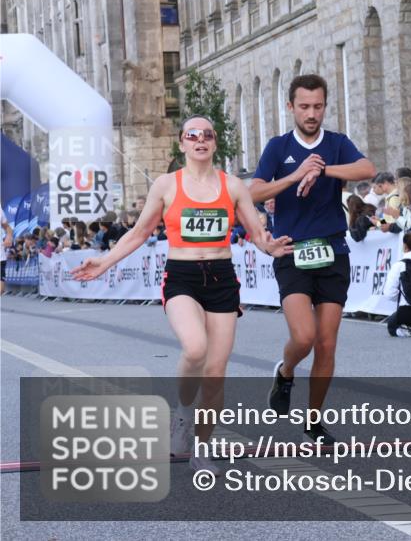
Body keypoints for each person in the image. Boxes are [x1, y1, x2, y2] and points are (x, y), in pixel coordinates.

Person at [71, 116, 292, 474]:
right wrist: (105, 262)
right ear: (182, 143)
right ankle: (183, 411)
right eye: (193, 135)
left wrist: (271, 247)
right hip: (182, 277)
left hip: (221, 278)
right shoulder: (166, 185)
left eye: (207, 135)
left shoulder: (233, 185)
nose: (200, 140)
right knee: (195, 349)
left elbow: (256, 233)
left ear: (215, 142)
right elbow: (139, 232)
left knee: (216, 373)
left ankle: (201, 449)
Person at [250, 74, 376, 445]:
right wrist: (294, 176)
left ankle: (314, 421)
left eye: (318, 106)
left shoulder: (336, 143)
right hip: (292, 251)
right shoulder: (278, 147)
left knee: (326, 343)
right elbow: (254, 191)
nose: (311, 113)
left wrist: (323, 169)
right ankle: (286, 371)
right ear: (291, 106)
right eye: (304, 106)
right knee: (303, 337)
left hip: (333, 251)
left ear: (324, 106)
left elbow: (367, 169)